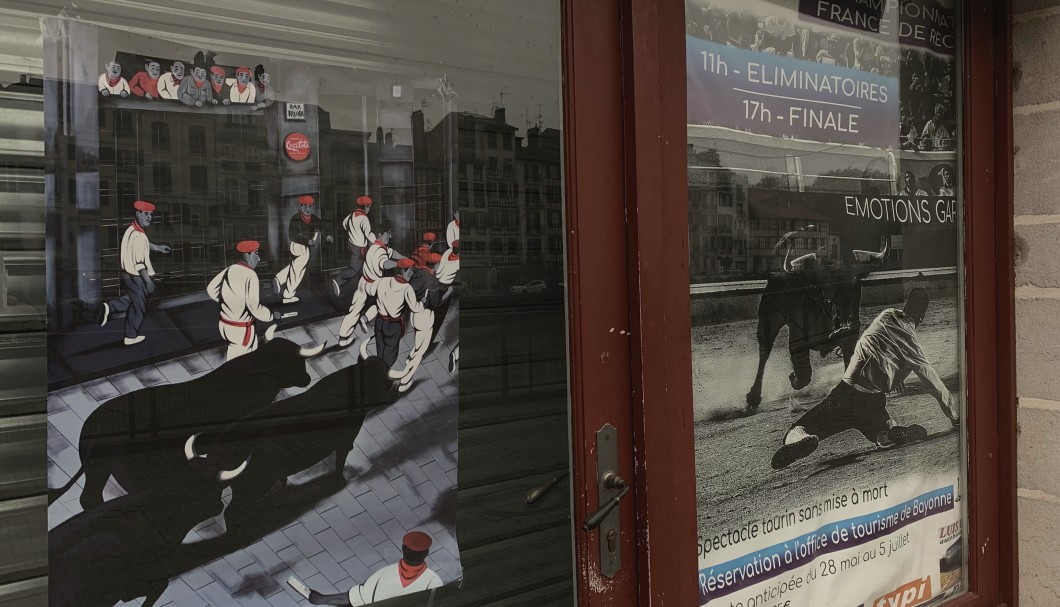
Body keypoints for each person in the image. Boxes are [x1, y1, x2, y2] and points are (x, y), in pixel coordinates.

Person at [770, 288, 959, 470]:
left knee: (798, 428)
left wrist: (894, 375)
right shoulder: (913, 347)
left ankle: (801, 439)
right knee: (878, 431)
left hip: (846, 394)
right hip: (874, 401)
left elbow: (875, 346)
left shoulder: (886, 315)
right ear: (922, 316)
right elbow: (932, 381)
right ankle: (888, 432)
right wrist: (954, 416)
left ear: (905, 305)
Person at [291, 531, 443, 605]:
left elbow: (356, 597)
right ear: (426, 552)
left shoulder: (384, 574)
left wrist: (323, 599)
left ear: (402, 548)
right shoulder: (434, 582)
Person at [98, 201, 171, 345]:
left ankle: (109, 307)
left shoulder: (132, 230)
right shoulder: (139, 235)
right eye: (146, 214)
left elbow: (144, 244)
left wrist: (157, 247)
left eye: (151, 214)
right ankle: (130, 338)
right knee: (139, 307)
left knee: (133, 301)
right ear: (138, 214)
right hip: (136, 276)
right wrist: (148, 281)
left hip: (127, 275)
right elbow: (139, 263)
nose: (149, 217)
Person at [207, 240, 278, 361]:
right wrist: (271, 316)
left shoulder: (230, 269)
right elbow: (254, 307)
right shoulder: (251, 275)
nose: (259, 259)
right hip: (240, 329)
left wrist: (228, 303)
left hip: (225, 324)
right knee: (240, 362)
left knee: (249, 350)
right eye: (256, 254)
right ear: (246, 256)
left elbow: (211, 289)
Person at [337, 225, 399, 347]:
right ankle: (365, 318)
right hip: (373, 285)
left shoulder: (375, 246)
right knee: (383, 304)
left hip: (363, 282)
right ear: (380, 235)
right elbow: (385, 264)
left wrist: (407, 258)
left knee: (354, 310)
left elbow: (392, 252)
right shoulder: (380, 251)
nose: (390, 236)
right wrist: (400, 262)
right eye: (388, 233)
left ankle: (343, 338)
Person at [274, 195, 332, 304]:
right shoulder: (295, 218)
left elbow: (321, 226)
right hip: (296, 245)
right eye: (305, 206)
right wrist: (307, 241)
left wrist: (327, 235)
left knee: (299, 268)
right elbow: (293, 235)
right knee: (301, 264)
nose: (308, 209)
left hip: (305, 247)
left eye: (310, 206)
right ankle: (288, 294)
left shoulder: (313, 218)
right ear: (301, 207)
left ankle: (279, 279)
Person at [373, 259, 425, 368]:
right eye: (410, 272)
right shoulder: (407, 288)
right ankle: (384, 375)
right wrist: (422, 302)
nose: (411, 275)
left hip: (379, 321)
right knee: (390, 354)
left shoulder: (382, 281)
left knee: (380, 349)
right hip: (393, 325)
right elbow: (415, 308)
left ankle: (377, 371)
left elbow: (371, 291)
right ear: (402, 272)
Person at [332, 195, 375, 296]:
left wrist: (352, 232)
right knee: (354, 269)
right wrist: (376, 241)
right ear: (366, 207)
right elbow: (368, 234)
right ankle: (338, 279)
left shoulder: (351, 215)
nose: (369, 209)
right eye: (369, 207)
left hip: (351, 245)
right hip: (359, 248)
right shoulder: (364, 219)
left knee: (360, 268)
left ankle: (360, 288)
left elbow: (344, 224)